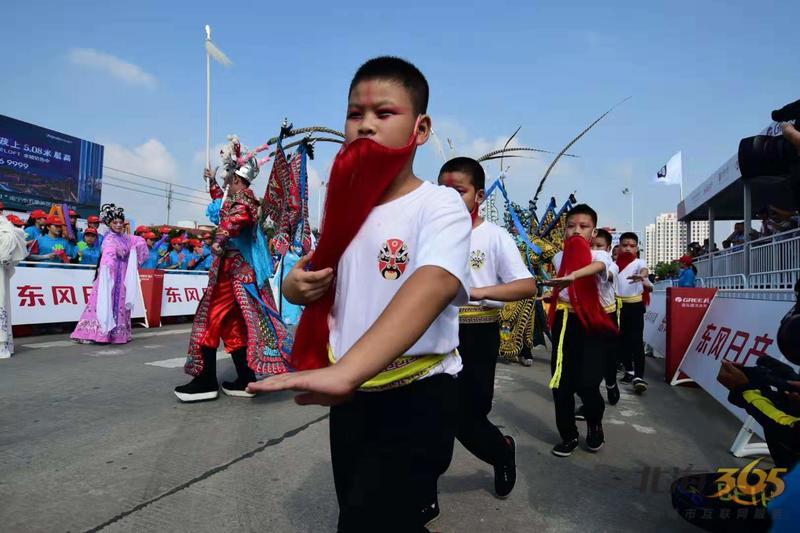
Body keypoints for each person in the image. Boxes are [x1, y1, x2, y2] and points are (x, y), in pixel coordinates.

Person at [247, 56, 471, 532]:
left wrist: (346, 370)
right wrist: (295, 288)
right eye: (355, 114)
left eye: (383, 113)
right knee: (356, 508)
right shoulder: (343, 207)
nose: (365, 126)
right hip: (352, 395)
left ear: (421, 127)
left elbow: (435, 281)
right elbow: (321, 280)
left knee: (366, 522)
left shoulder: (439, 203)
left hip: (418, 392)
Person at [437, 156, 535, 500]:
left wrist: (478, 292)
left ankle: (501, 450)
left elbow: (526, 286)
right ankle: (423, 494)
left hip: (477, 332)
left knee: (470, 415)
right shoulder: (427, 235)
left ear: (479, 196)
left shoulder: (495, 236)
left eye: (458, 191)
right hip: (433, 332)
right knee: (433, 414)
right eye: (443, 190)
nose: (449, 198)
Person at [174, 137, 292, 402]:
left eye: (227, 174)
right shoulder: (237, 197)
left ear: (236, 177)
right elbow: (225, 205)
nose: (224, 178)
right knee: (233, 325)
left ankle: (204, 382)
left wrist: (221, 237)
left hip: (233, 272)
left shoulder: (245, 201)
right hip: (234, 272)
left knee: (208, 320)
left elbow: (238, 218)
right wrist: (213, 184)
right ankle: (245, 378)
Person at [541, 204, 618, 457]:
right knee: (560, 384)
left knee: (587, 384)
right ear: (564, 230)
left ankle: (594, 423)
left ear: (593, 232)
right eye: (571, 226)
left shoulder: (601, 257)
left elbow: (598, 270)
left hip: (595, 325)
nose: (576, 231)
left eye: (583, 227)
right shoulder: (558, 258)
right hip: (566, 324)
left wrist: (573, 277)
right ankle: (568, 434)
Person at [70, 204, 148, 344]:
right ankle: (95, 333)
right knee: (105, 300)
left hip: (122, 274)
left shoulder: (125, 238)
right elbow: (107, 255)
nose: (118, 225)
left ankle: (117, 333)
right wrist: (107, 269)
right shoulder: (107, 239)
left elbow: (139, 241)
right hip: (109, 273)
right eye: (115, 222)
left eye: (120, 222)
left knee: (120, 302)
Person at [615, 232, 652, 393]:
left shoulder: (639, 262)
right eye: (625, 245)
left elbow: (644, 270)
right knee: (621, 341)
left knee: (636, 341)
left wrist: (642, 277)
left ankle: (639, 376)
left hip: (635, 307)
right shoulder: (613, 265)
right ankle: (629, 371)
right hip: (617, 307)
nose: (628, 248)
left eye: (632, 246)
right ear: (619, 247)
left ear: (637, 248)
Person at [0, 214, 28, 358]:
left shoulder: (5, 226)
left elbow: (12, 239)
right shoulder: (6, 227)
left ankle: (2, 343)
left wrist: (4, 257)